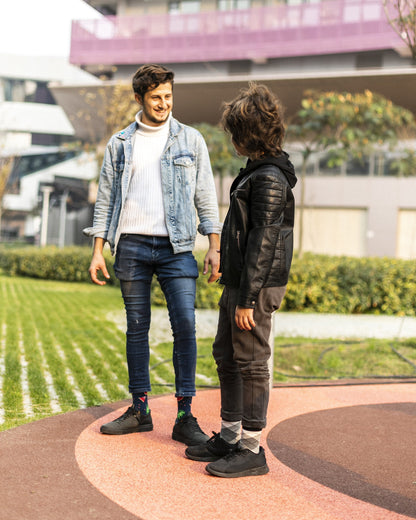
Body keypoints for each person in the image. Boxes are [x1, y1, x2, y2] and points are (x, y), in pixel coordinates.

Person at [83, 64, 221, 446]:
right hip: (131, 245)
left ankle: (184, 414)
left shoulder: (190, 140)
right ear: (140, 98)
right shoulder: (120, 143)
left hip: (177, 247)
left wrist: (214, 244)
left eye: (168, 97)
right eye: (156, 97)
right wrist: (97, 251)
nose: (164, 104)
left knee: (186, 327)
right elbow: (106, 199)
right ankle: (140, 409)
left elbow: (205, 194)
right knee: (137, 328)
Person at [185, 83, 297, 476]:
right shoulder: (257, 172)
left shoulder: (269, 177)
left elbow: (264, 244)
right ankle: (231, 435)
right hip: (239, 282)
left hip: (257, 286)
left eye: (235, 132)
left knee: (250, 362)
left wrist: (247, 298)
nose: (232, 139)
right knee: (226, 354)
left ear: (248, 134)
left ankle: (252, 448)